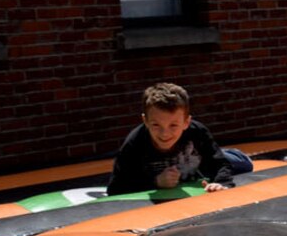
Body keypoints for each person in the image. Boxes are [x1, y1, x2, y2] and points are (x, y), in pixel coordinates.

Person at [105, 82, 253, 195]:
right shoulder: (135, 142)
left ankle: (232, 153)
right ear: (145, 121)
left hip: (204, 161)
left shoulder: (197, 132)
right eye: (156, 125)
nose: (165, 134)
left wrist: (221, 183)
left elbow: (220, 164)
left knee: (243, 164)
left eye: (173, 125)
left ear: (186, 123)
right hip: (189, 166)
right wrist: (155, 182)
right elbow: (116, 187)